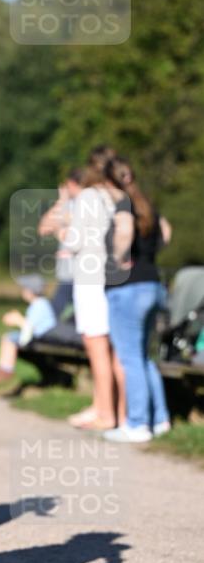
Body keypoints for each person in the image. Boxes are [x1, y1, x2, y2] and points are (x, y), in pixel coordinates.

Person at [102, 157, 171, 442]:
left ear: (109, 182)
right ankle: (160, 419)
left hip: (128, 288)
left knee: (130, 358)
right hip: (153, 284)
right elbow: (166, 234)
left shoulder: (123, 206)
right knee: (143, 356)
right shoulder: (148, 205)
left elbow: (126, 231)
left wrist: (116, 260)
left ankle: (138, 424)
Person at [63, 146, 126, 431]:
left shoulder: (88, 196)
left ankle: (105, 413)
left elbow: (74, 241)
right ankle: (118, 411)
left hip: (90, 278)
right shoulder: (120, 196)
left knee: (97, 347)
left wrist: (62, 229)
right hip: (115, 277)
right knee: (115, 350)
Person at [0, 274, 57, 383]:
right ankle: (3, 369)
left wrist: (18, 320)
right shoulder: (39, 304)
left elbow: (29, 327)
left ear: (30, 291)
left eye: (25, 289)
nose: (23, 291)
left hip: (42, 337)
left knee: (9, 338)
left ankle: (6, 370)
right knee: (8, 337)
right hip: (40, 335)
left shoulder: (40, 305)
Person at [38, 169, 82, 319]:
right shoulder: (69, 204)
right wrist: (62, 201)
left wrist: (62, 202)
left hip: (78, 272)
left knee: (58, 314)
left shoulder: (84, 204)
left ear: (71, 183)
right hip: (68, 273)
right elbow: (44, 228)